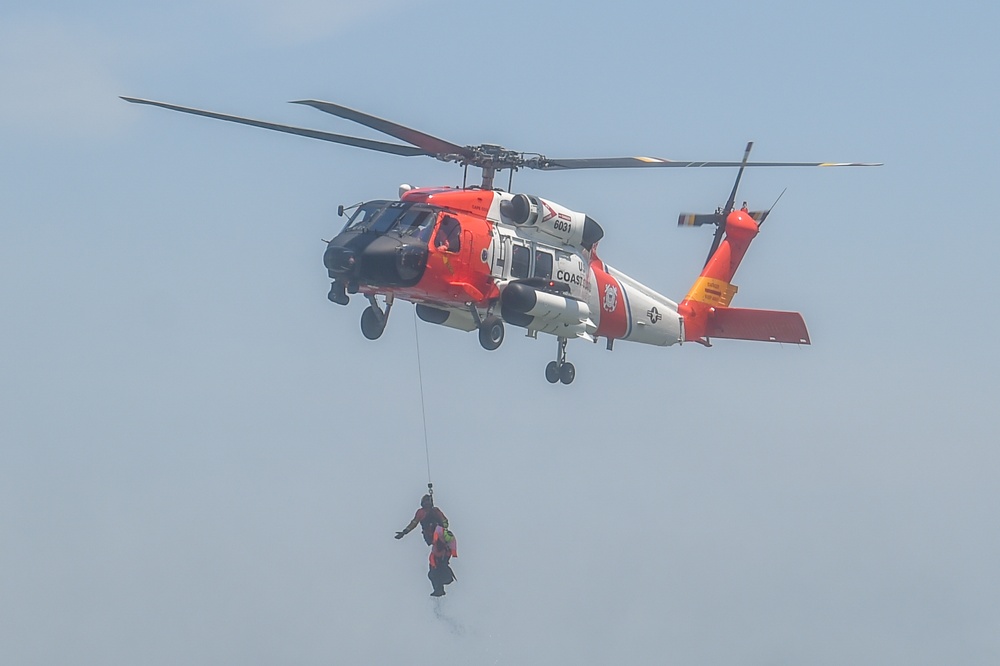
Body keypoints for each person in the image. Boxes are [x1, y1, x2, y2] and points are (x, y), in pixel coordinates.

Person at [428, 524, 457, 597]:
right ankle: (439, 590)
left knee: (433, 575)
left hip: (440, 562)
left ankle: (439, 590)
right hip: (440, 562)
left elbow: (435, 554)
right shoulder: (441, 534)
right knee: (433, 574)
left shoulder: (439, 540)